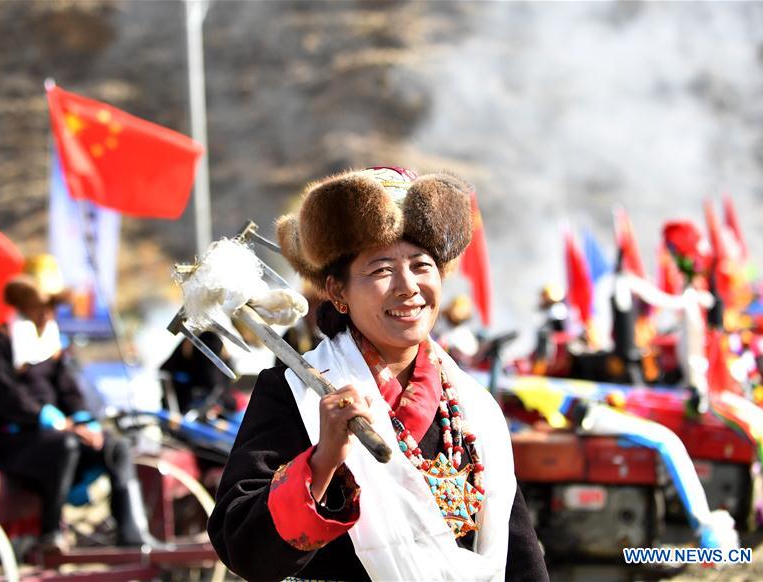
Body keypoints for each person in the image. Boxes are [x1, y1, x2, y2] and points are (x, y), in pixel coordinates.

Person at [208, 168, 548, 581]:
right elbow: (244, 550)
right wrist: (322, 462)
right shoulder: (295, 393)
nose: (407, 286)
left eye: (422, 265)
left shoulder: (475, 407)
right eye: (382, 269)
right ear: (337, 292)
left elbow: (520, 561)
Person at [0, 254, 159, 551]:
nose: (48, 314)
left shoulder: (53, 346)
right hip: (9, 442)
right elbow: (8, 400)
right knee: (65, 446)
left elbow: (70, 391)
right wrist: (61, 424)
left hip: (54, 435)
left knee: (115, 446)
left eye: (52, 307)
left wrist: (84, 422)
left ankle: (132, 534)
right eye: (42, 307)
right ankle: (51, 532)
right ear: (24, 305)